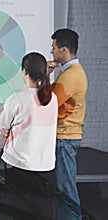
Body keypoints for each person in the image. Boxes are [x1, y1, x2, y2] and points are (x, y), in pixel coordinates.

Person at [0, 52, 58, 218]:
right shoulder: (53, 99)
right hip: (46, 168)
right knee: (43, 214)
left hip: (18, 168)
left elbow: (1, 127)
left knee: (18, 213)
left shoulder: (17, 99)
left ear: (24, 72)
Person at [47, 28, 88, 220]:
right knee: (62, 190)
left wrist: (45, 76)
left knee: (66, 191)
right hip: (63, 138)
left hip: (65, 139)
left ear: (64, 49)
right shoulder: (68, 73)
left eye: (54, 47)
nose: (51, 51)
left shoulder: (71, 75)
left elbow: (46, 103)